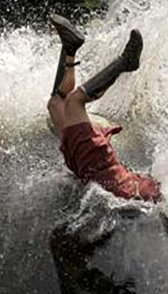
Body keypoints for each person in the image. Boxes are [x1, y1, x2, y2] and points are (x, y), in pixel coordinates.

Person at [46, 15, 161, 203]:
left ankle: (71, 49)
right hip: (92, 164)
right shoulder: (142, 190)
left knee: (56, 104)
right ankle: (124, 62)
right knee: (73, 101)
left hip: (88, 165)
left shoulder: (134, 192)